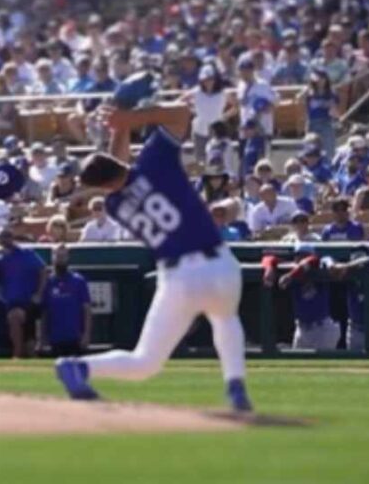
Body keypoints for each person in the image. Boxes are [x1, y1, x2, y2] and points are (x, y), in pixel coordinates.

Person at [53, 99, 253, 413]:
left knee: (145, 362)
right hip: (217, 263)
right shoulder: (153, 161)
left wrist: (120, 129)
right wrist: (129, 120)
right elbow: (182, 114)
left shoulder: (115, 206)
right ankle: (235, 385)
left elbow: (116, 173)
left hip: (177, 277)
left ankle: (78, 367)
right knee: (225, 318)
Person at [0, 227, 47, 359]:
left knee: (29, 344)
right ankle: (17, 353)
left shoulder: (27, 253)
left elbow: (43, 271)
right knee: (14, 317)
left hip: (30, 302)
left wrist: (39, 293)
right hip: (10, 303)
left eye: (7, 236)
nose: (4, 240)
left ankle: (22, 354)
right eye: (1, 237)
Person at [276, 244, 340, 350]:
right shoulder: (292, 271)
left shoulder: (319, 266)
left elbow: (315, 260)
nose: (298, 259)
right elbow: (270, 258)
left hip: (322, 329)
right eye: (297, 256)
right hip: (301, 329)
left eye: (302, 256)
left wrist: (290, 275)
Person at [35, 245, 92, 357]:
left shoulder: (78, 281)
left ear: (68, 258)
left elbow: (87, 310)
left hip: (75, 337)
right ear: (52, 258)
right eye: (58, 256)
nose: (60, 259)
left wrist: (86, 335)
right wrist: (41, 339)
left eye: (63, 256)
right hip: (55, 338)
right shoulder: (47, 282)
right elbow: (43, 313)